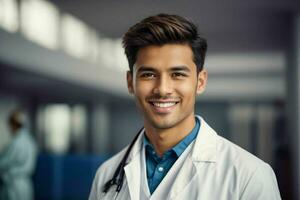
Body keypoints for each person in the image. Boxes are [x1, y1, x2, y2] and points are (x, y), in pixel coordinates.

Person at [89, 14, 281, 200]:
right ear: (131, 82)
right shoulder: (106, 174)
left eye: (178, 74)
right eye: (149, 74)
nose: (163, 89)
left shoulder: (250, 176)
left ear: (200, 81)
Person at [0, 109, 37, 200]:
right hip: (25, 183)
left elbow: (5, 162)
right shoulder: (30, 141)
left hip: (13, 184)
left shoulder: (16, 142)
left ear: (12, 124)